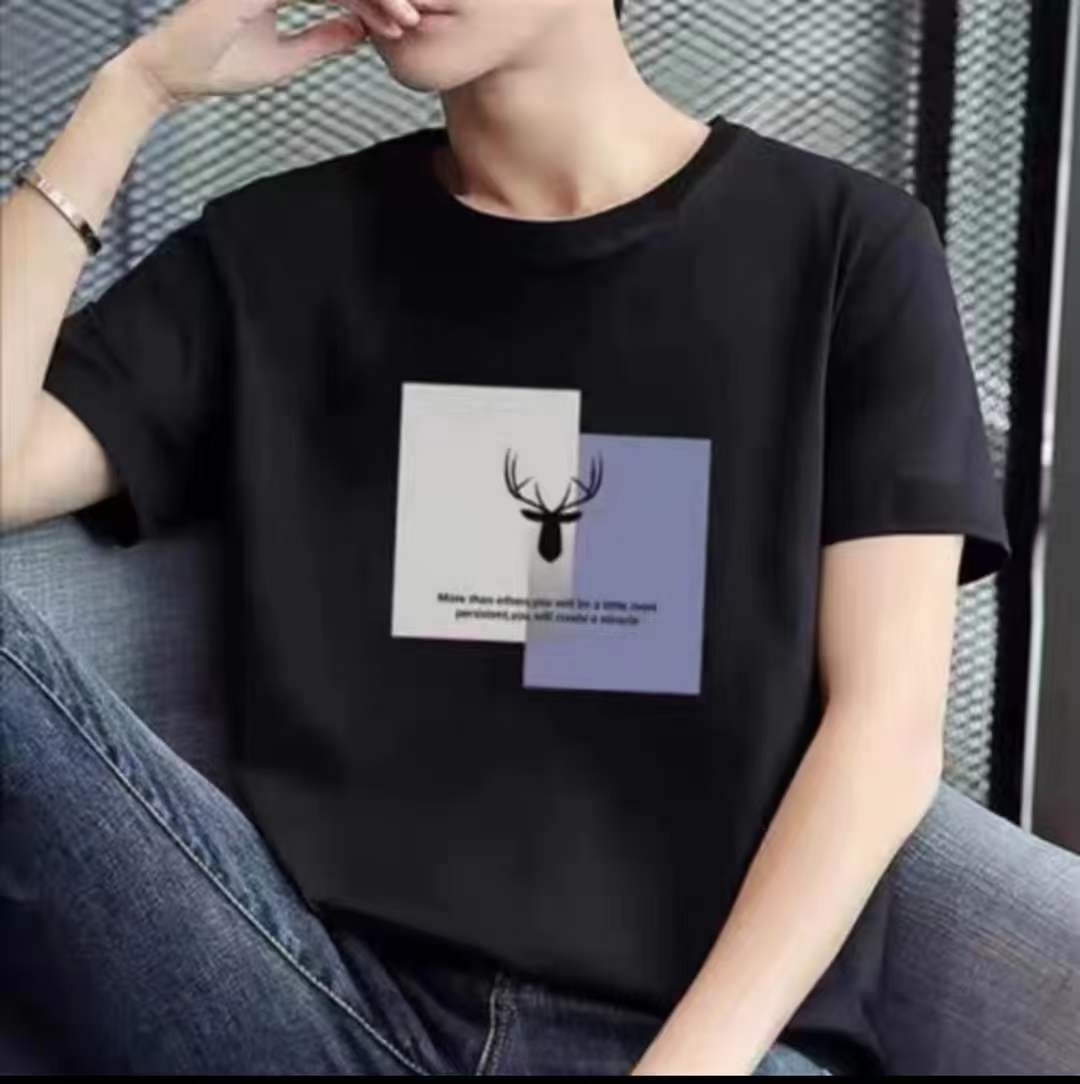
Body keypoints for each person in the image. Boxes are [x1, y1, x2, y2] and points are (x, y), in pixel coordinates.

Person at [0, 0, 1011, 1074]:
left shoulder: (845, 250)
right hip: (321, 1008)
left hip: (688, 1045)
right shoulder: (276, 253)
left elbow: (886, 728)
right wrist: (132, 94)